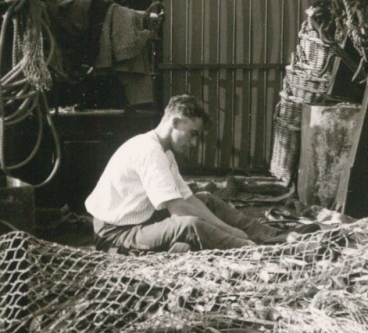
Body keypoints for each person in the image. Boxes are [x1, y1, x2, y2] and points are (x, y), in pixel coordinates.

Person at [85, 94, 280, 253]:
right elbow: (178, 209)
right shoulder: (149, 150)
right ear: (175, 122)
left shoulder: (165, 152)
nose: (194, 143)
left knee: (206, 199)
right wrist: (230, 231)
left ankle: (271, 235)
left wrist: (227, 227)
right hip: (115, 235)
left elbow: (188, 199)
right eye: (193, 133)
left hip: (140, 221)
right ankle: (256, 251)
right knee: (188, 225)